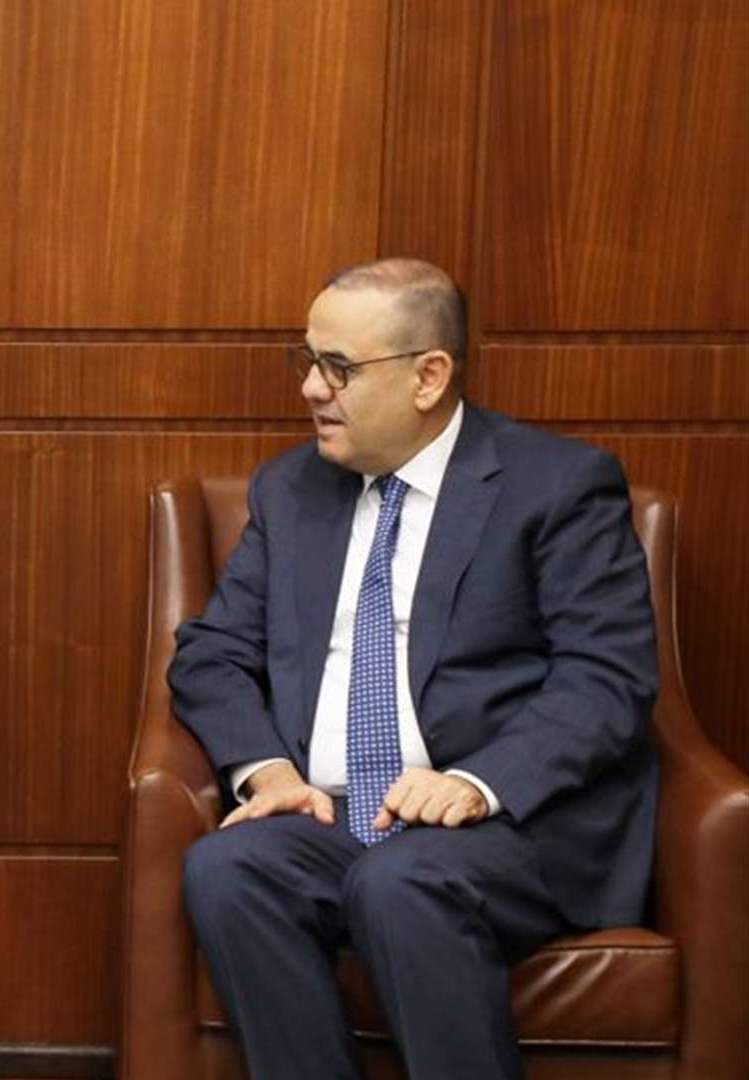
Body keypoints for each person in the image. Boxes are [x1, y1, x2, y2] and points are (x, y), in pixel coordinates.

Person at [168, 257, 658, 1079]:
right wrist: (267, 770)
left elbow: (606, 680)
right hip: (331, 815)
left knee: (402, 882)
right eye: (307, 361)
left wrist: (477, 782)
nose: (311, 389)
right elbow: (212, 653)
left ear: (429, 376)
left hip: (504, 828)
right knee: (227, 867)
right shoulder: (290, 490)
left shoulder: (557, 486)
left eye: (339, 368)